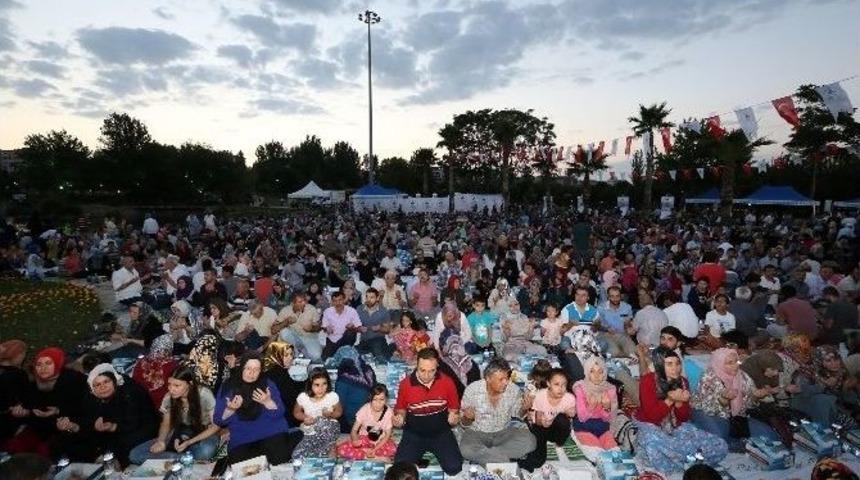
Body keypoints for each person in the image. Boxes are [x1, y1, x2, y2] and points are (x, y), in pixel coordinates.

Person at [635, 347, 727, 472]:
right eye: (669, 364)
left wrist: (679, 402)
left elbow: (683, 418)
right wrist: (670, 400)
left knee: (720, 445)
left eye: (678, 363)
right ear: (659, 365)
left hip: (675, 426)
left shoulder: (683, 382)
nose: (675, 368)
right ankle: (689, 460)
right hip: (651, 424)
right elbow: (652, 417)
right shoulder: (648, 381)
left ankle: (685, 460)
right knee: (653, 445)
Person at [55, 363, 158, 467]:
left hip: (144, 433)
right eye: (98, 385)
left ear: (114, 381)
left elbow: (135, 423)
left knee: (120, 445)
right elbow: (88, 424)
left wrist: (113, 427)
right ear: (92, 389)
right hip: (113, 437)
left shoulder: (130, 393)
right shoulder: (92, 400)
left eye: (106, 382)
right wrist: (73, 426)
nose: (103, 387)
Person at [213, 352, 302, 465]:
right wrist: (230, 409)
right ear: (241, 368)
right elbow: (218, 420)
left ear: (261, 371)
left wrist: (268, 402)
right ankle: (293, 437)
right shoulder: (228, 387)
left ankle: (290, 439)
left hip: (270, 431)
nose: (252, 373)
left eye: (256, 369)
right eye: (248, 368)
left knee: (280, 459)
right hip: (243, 437)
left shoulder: (267, 384)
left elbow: (280, 413)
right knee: (245, 468)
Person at [5, 348, 88, 457]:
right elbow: (33, 412)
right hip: (43, 429)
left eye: (48, 363)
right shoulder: (33, 386)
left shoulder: (73, 379)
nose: (43, 368)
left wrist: (58, 411)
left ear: (58, 363)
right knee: (15, 447)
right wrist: (25, 413)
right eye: (39, 365)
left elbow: (85, 407)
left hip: (73, 427)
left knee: (48, 450)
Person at [392, 348, 463, 476]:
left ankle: (425, 456)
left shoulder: (447, 382)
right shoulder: (405, 384)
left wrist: (454, 417)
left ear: (437, 367)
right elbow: (401, 409)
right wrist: (399, 418)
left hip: (441, 433)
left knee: (455, 468)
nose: (426, 375)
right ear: (416, 365)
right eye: (422, 370)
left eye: (431, 371)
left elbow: (454, 410)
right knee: (400, 470)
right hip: (414, 434)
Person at [129, 365, 221, 464]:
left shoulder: (204, 394)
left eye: (177, 385)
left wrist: (189, 442)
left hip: (203, 432)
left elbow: (216, 426)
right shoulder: (169, 397)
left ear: (189, 384)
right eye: (169, 385)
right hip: (180, 432)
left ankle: (178, 458)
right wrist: (161, 441)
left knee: (205, 452)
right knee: (135, 454)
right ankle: (182, 458)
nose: (171, 389)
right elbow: (166, 423)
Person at [691, 348, 778, 451]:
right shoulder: (708, 378)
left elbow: (748, 406)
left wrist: (756, 396)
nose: (736, 365)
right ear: (719, 363)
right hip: (706, 412)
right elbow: (709, 408)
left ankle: (736, 441)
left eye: (736, 361)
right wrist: (723, 399)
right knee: (720, 438)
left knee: (770, 435)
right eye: (730, 363)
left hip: (735, 416)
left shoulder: (743, 377)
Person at [459, 358, 536, 465]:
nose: (506, 382)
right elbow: (463, 424)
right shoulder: (472, 390)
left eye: (507, 378)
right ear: (488, 378)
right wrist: (467, 418)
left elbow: (518, 414)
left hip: (503, 432)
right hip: (477, 433)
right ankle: (501, 460)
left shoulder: (513, 389)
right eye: (501, 379)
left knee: (530, 442)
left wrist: (524, 408)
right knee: (466, 450)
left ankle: (488, 457)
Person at [519, 368, 576, 472]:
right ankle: (516, 461)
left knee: (562, 419)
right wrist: (542, 422)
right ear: (548, 383)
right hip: (541, 427)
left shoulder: (569, 398)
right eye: (557, 384)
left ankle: (559, 443)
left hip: (556, 430)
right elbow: (535, 418)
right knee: (538, 461)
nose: (561, 388)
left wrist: (571, 413)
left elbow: (570, 418)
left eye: (564, 384)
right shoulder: (540, 396)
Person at [336, 384, 398, 461]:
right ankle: (366, 455)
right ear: (370, 399)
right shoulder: (364, 409)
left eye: (381, 399)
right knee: (341, 449)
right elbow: (354, 430)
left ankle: (371, 454)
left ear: (386, 399)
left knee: (393, 449)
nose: (378, 403)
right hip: (364, 439)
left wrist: (374, 449)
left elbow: (387, 435)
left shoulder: (389, 412)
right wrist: (355, 440)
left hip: (380, 441)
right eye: (375, 399)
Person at [292, 368, 342, 459]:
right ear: (310, 385)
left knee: (321, 421)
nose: (321, 388)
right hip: (310, 431)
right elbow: (296, 412)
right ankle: (320, 450)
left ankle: (331, 447)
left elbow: (339, 412)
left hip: (329, 429)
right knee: (297, 456)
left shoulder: (332, 396)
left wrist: (330, 414)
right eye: (317, 385)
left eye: (324, 384)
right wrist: (305, 418)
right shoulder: (303, 397)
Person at [572, 357, 618, 449]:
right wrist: (591, 407)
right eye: (592, 371)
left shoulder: (609, 389)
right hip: (583, 427)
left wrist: (607, 407)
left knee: (614, 452)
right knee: (597, 453)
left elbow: (609, 419)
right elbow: (582, 417)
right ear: (587, 372)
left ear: (604, 373)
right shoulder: (580, 387)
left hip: (603, 427)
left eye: (600, 372)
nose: (596, 375)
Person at [131, 334, 178, 408]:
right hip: (157, 405)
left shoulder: (142, 362)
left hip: (142, 403)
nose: (161, 353)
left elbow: (134, 383)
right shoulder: (173, 365)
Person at [263, 341, 304, 427]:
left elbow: (291, 386)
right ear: (276, 355)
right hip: (283, 420)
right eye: (286, 355)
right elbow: (290, 397)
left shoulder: (272, 369)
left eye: (291, 354)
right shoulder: (278, 373)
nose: (290, 358)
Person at [276, 292, 323, 361]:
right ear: (293, 303)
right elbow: (273, 330)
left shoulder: (311, 309)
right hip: (294, 339)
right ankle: (296, 353)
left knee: (316, 356)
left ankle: (302, 352)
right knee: (284, 332)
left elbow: (318, 328)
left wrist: (312, 329)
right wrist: (285, 322)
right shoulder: (285, 310)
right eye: (300, 302)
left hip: (309, 338)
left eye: (304, 300)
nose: (303, 303)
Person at [321, 291, 363, 358]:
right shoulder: (327, 311)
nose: (338, 303)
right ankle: (339, 352)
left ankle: (341, 352)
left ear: (344, 300)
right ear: (332, 302)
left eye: (340, 300)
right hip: (333, 339)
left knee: (350, 332)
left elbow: (359, 327)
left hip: (346, 340)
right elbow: (324, 326)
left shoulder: (352, 311)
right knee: (324, 358)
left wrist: (352, 327)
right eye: (335, 301)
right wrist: (327, 328)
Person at [356, 288, 394, 361]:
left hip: (378, 340)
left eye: (371, 297)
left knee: (378, 350)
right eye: (367, 297)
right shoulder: (359, 309)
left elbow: (388, 330)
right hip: (364, 341)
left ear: (377, 298)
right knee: (354, 353)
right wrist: (359, 328)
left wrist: (379, 328)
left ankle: (382, 362)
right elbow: (354, 326)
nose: (368, 300)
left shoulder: (383, 311)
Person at [596, 286, 636, 357]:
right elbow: (597, 325)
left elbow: (627, 323)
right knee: (614, 352)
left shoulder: (627, 307)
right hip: (606, 335)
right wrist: (606, 328)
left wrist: (629, 328)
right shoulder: (601, 308)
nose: (615, 299)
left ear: (621, 296)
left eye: (617, 296)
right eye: (612, 296)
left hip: (623, 335)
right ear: (608, 297)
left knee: (632, 352)